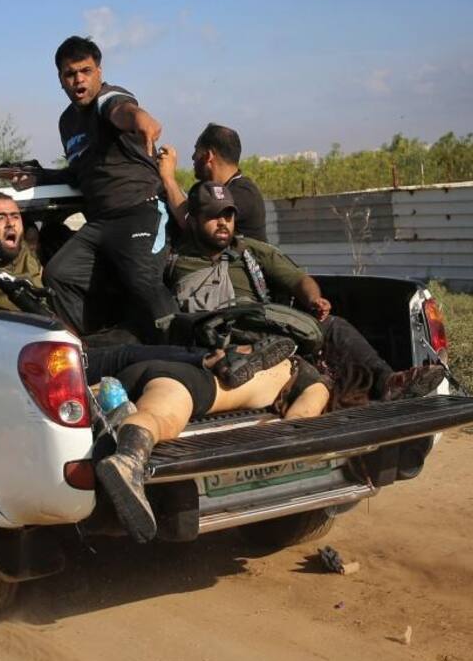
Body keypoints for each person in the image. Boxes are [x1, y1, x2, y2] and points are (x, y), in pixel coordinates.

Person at [0, 193, 295, 387]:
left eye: (15, 216)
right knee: (130, 353)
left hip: (80, 337)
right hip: (48, 361)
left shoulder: (33, 256)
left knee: (156, 325)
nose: (9, 223)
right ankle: (214, 363)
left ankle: (245, 346)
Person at [169, 182, 446, 403]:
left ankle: (388, 382)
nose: (222, 223)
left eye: (227, 215)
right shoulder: (175, 262)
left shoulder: (249, 250)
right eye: (212, 215)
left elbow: (299, 279)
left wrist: (314, 300)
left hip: (264, 328)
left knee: (331, 326)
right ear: (193, 220)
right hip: (217, 340)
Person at [13, 35, 177, 341]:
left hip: (140, 211)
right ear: (60, 79)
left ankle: (184, 350)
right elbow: (79, 174)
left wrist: (140, 119)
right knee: (58, 274)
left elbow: (123, 110)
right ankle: (90, 345)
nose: (78, 80)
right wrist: (39, 178)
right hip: (100, 223)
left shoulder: (109, 98)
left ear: (99, 72)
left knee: (143, 282)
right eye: (70, 74)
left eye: (85, 71)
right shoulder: (67, 122)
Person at [96, 354, 330, 542]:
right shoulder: (315, 384)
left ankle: (114, 423)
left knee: (119, 405)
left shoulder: (277, 357)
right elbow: (298, 423)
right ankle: (129, 460)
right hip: (187, 383)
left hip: (149, 366)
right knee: (160, 420)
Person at [161, 123, 268, 243]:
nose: (193, 157)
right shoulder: (213, 191)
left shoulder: (243, 194)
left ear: (208, 156)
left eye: (196, 150)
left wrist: (168, 178)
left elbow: (191, 223)